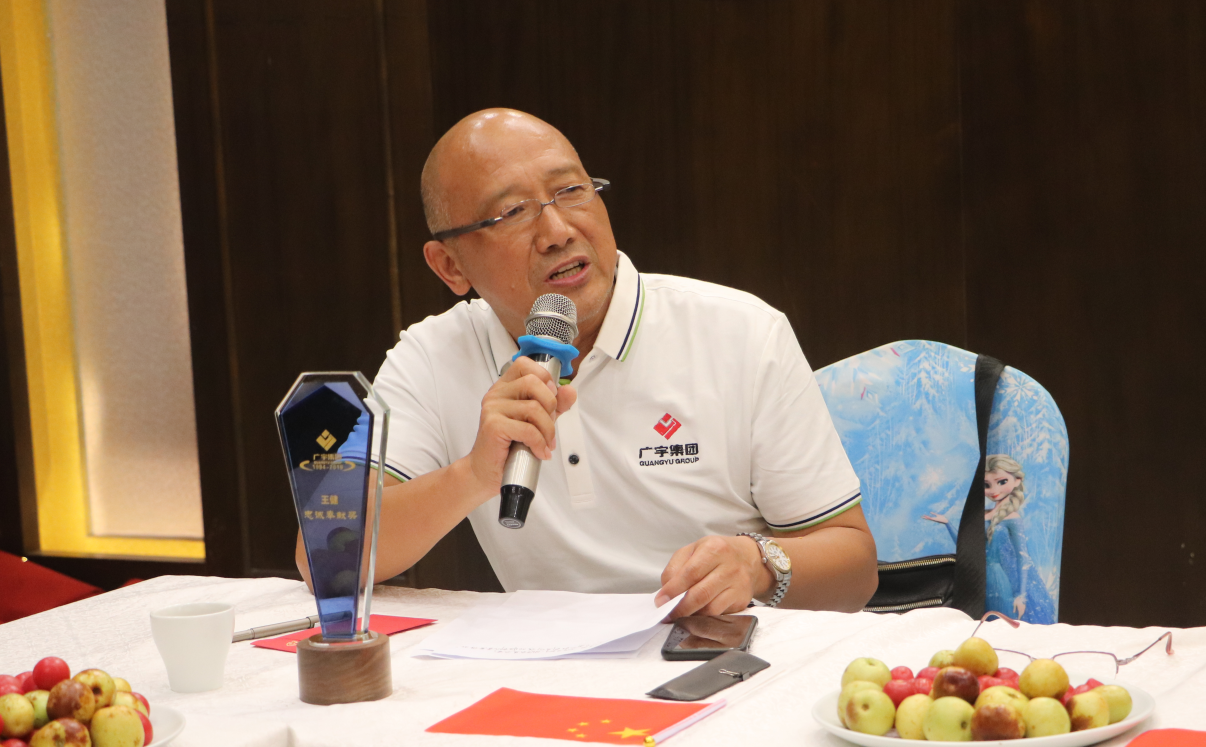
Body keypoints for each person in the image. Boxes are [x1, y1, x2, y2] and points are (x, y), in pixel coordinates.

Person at [296, 108, 878, 616]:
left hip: (722, 660)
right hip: (552, 670)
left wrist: (755, 566)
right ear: (450, 266)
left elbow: (856, 570)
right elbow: (323, 554)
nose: (557, 231)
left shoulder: (741, 332)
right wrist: (473, 475)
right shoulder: (431, 355)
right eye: (512, 213)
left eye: (572, 191)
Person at [922, 453, 1056, 623]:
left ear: (1017, 481)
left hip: (999, 578)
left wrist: (1021, 595)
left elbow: (1022, 557)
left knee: (1001, 620)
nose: (994, 490)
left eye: (1002, 482)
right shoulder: (982, 515)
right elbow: (967, 548)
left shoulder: (1012, 518)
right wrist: (948, 523)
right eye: (986, 485)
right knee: (979, 622)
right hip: (977, 578)